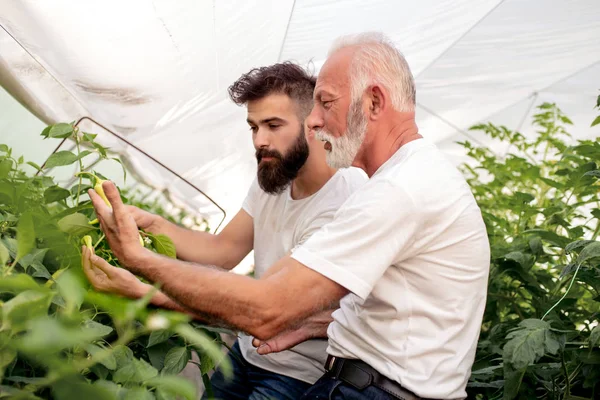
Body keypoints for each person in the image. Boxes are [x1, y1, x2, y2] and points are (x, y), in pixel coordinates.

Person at [85, 32, 490, 400]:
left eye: (326, 103)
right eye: (253, 126)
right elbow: (238, 264)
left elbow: (265, 308)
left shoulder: (393, 191)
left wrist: (141, 264)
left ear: (374, 102)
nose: (315, 121)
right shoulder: (401, 179)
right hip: (350, 380)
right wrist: (326, 322)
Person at [82, 62, 367, 399]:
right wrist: (154, 224)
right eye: (253, 127)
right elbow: (224, 249)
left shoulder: (346, 202)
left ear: (315, 125)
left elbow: (262, 308)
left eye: (274, 125)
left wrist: (144, 290)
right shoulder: (274, 176)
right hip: (245, 353)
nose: (260, 141)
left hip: (295, 376)